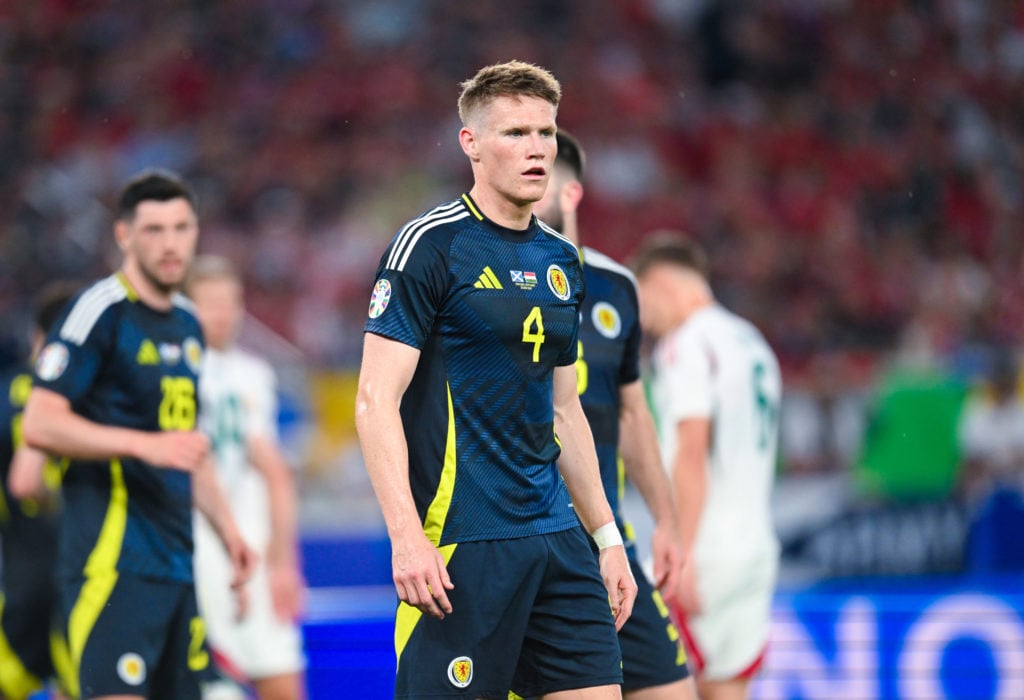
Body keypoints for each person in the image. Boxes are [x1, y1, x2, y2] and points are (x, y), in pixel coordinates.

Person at [354, 60, 637, 699]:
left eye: (546, 133)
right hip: (464, 543)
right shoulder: (430, 247)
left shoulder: (562, 261)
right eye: (515, 133)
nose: (536, 149)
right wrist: (406, 537)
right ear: (471, 144)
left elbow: (566, 413)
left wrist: (607, 538)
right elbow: (375, 401)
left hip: (557, 539)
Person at [21, 169, 255, 700]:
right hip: (111, 567)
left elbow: (189, 447)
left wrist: (229, 532)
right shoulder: (98, 313)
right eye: (154, 230)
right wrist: (140, 443)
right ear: (123, 235)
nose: (171, 244)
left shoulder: (189, 324)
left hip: (177, 566)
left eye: (182, 228)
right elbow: (40, 421)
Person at [532, 130, 698, 700]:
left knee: (674, 690)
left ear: (571, 193)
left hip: (607, 538)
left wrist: (668, 519)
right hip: (525, 533)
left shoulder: (617, 289)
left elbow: (634, 417)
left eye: (541, 171)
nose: (526, 183)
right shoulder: (490, 274)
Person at [631, 233, 782, 700]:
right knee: (726, 687)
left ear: (659, 283)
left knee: (657, 686)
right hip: (754, 544)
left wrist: (683, 548)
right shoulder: (753, 341)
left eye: (642, 301)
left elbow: (692, 452)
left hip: (706, 549)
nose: (644, 321)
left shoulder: (685, 345)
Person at [184, 255, 306, 700]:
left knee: (280, 675)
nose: (223, 314)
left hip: (248, 546)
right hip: (196, 552)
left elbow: (272, 470)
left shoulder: (254, 373)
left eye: (230, 302)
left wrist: (282, 562)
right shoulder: (175, 371)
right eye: (210, 302)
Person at [0, 282, 77, 700]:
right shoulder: (91, 397)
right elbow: (27, 480)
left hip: (19, 575)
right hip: (79, 572)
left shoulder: (5, 394)